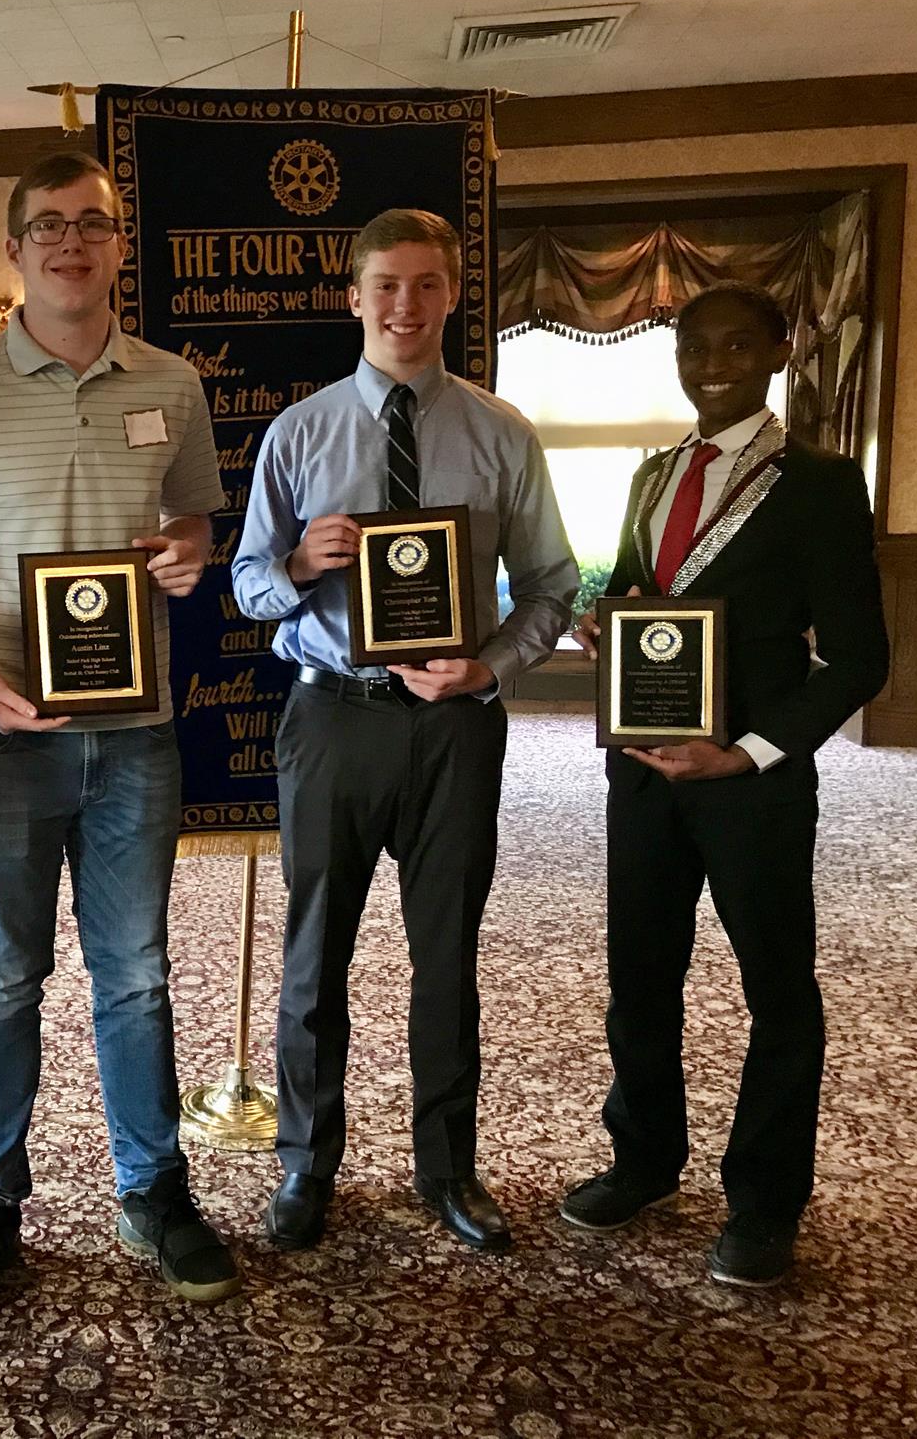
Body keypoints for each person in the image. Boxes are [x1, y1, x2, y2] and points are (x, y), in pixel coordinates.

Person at [0, 149, 237, 1323]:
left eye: (92, 223)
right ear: (15, 248)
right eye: (48, 226)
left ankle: (154, 1190)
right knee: (1, 979)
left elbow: (193, 523)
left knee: (136, 976)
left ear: (119, 244)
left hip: (136, 736)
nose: (71, 242)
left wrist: (187, 553)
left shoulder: (172, 383)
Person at [233, 208, 577, 1254]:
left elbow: (552, 585)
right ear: (353, 296)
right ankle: (306, 1164)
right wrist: (300, 566)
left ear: (454, 296)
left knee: (448, 955)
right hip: (333, 717)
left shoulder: (501, 433)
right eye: (386, 284)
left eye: (427, 284)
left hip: (453, 728)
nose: (405, 305)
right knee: (313, 956)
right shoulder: (299, 432)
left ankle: (448, 1170)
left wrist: (491, 667)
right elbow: (246, 584)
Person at [558, 282, 888, 1287]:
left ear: (780, 351)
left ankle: (765, 1203)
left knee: (776, 989)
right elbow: (638, 591)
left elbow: (860, 659)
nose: (713, 365)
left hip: (752, 781)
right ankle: (644, 1159)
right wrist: (604, 623)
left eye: (738, 346)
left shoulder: (820, 483)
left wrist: (747, 752)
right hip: (645, 775)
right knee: (639, 977)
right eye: (695, 348)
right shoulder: (653, 474)